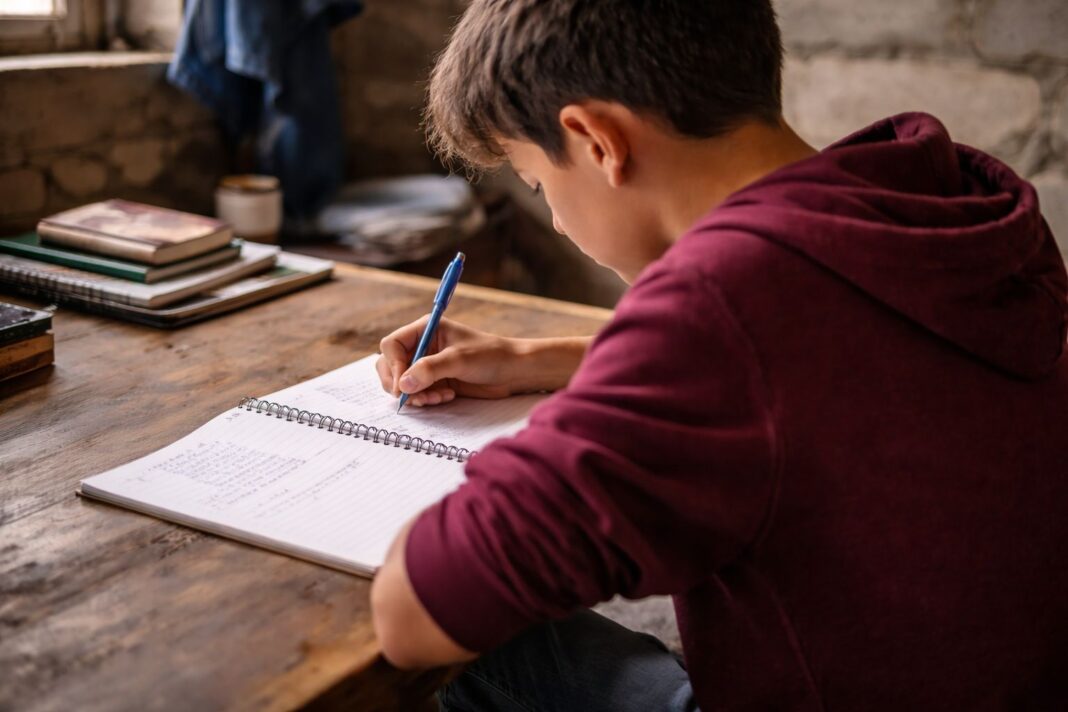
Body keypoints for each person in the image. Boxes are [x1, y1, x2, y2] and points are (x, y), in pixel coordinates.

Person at [369, 1, 1068, 709]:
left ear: (595, 141)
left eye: (538, 184)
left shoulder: (717, 308)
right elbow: (823, 367)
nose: (552, 215)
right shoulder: (941, 197)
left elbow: (411, 615)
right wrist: (547, 359)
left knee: (485, 652)